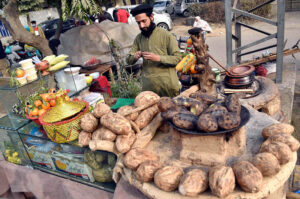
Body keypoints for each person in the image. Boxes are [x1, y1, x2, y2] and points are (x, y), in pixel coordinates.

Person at [126, 4, 181, 97]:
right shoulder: (138, 38)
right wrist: (134, 56)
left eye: (144, 21)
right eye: (138, 23)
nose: (141, 25)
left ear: (151, 17)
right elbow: (128, 59)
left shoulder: (166, 35)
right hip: (149, 88)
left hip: (167, 86)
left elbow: (178, 58)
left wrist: (158, 58)